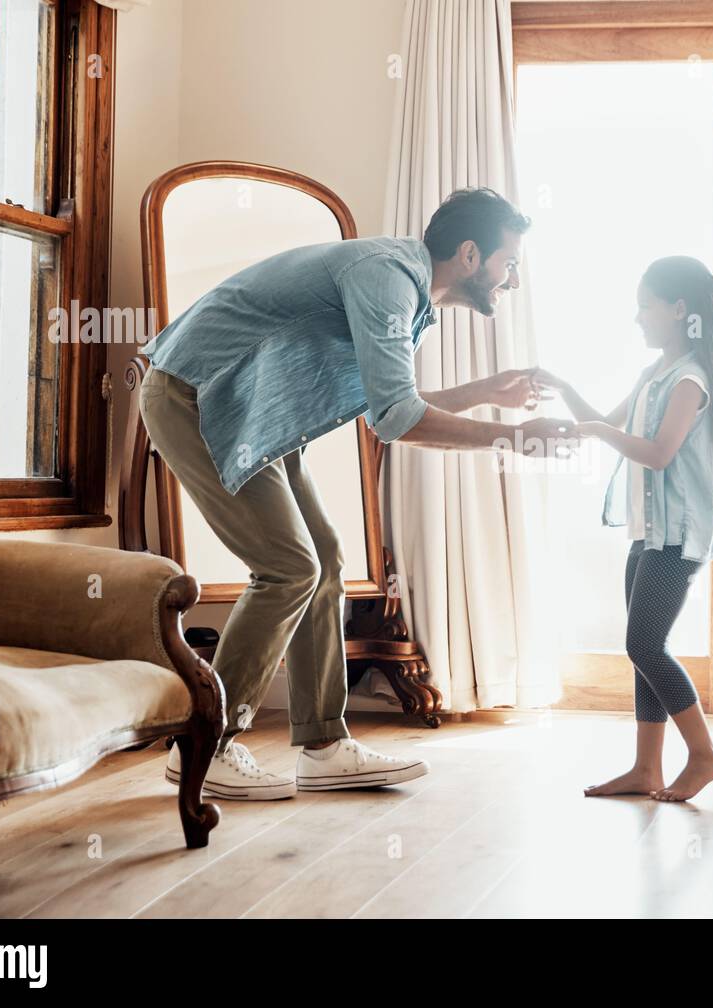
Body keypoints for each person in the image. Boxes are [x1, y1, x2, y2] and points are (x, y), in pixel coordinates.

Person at [139, 187, 576, 800]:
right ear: (472, 255)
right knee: (290, 567)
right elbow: (399, 419)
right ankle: (206, 743)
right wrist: (513, 437)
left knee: (324, 563)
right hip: (197, 397)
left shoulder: (406, 288)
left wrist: (486, 393)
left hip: (254, 412)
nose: (513, 281)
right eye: (510, 264)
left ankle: (322, 745)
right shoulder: (388, 277)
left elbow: (386, 410)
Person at [534, 255, 713, 802]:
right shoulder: (653, 375)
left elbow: (658, 453)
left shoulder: (689, 380)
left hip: (677, 538)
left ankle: (705, 755)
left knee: (644, 645)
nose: (638, 318)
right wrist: (564, 389)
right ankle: (646, 768)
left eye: (645, 306)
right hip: (647, 534)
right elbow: (610, 424)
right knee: (643, 649)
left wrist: (594, 432)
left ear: (679, 309)